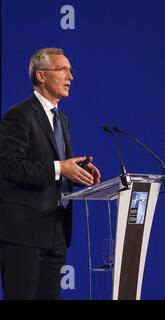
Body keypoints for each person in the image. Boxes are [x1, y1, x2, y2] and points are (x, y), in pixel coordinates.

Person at [0, 48, 101, 300]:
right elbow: (9, 166)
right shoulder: (19, 115)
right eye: (62, 69)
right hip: (24, 233)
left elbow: (53, 166)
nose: (70, 76)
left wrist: (77, 172)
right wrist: (60, 168)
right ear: (41, 76)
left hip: (56, 231)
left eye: (70, 70)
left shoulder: (62, 119)